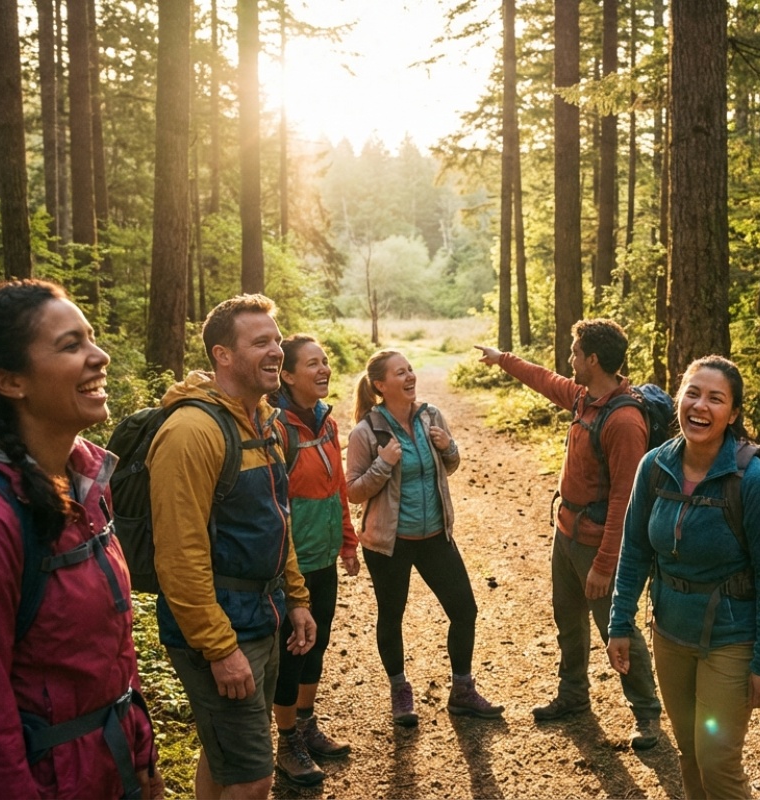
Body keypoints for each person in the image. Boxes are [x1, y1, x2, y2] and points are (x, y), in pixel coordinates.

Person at [0, 280, 161, 798]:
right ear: (10, 380)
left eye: (91, 338)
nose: (99, 356)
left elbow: (111, 646)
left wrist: (141, 750)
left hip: (108, 768)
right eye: (70, 345)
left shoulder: (85, 480)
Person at [148, 294, 315, 800]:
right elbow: (179, 555)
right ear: (222, 355)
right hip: (219, 632)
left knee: (226, 757)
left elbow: (277, 518)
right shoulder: (191, 432)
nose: (276, 352)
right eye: (260, 342)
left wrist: (298, 597)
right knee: (253, 776)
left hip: (261, 617)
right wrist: (220, 648)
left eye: (278, 341)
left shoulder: (261, 422)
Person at [607, 355, 760, 799]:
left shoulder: (753, 481)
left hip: (730, 638)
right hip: (670, 632)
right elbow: (634, 551)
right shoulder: (654, 467)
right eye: (692, 393)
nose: (700, 406)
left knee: (717, 760)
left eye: (715, 398)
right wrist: (619, 623)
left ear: (734, 413)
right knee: (689, 750)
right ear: (678, 399)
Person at [475, 319, 662, 749]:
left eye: (575, 353)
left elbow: (624, 502)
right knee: (568, 621)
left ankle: (647, 715)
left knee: (619, 629)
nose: (570, 360)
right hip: (567, 534)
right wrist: (503, 359)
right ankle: (574, 695)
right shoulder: (585, 398)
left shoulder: (625, 421)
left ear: (593, 359)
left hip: (598, 544)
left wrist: (604, 563)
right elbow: (545, 380)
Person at [345, 350, 502, 726]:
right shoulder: (366, 431)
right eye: (401, 373)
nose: (410, 376)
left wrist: (448, 446)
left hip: (435, 537)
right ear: (380, 385)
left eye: (411, 369)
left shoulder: (431, 415)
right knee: (392, 615)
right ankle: (400, 690)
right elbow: (352, 491)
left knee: (464, 610)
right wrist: (384, 462)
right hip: (389, 543)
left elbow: (450, 465)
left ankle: (462, 690)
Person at [269, 334, 360, 785]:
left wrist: (347, 540)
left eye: (325, 361)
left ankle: (305, 724)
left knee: (317, 645)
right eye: (312, 364)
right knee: (293, 653)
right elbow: (272, 503)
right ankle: (286, 742)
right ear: (286, 375)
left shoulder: (326, 420)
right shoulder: (276, 427)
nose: (323, 369)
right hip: (290, 564)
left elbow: (338, 485)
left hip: (323, 555)